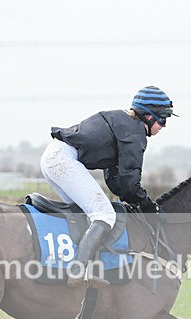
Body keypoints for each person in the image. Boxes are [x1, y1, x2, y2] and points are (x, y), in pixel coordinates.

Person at [40, 86, 176, 287]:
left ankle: (79, 266)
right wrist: (148, 205)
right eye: (162, 120)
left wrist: (131, 198)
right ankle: (78, 270)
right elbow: (130, 183)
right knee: (104, 215)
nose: (163, 126)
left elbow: (115, 180)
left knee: (86, 214)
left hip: (54, 156)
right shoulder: (134, 133)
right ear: (148, 116)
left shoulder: (123, 125)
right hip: (62, 160)